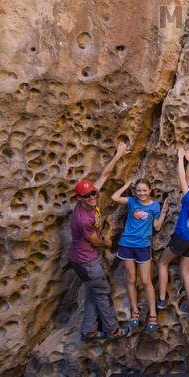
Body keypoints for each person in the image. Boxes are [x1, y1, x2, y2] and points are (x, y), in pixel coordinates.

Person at [68, 142, 130, 340]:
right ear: (79, 198)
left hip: (80, 259)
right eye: (87, 195)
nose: (93, 196)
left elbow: (104, 175)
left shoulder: (90, 197)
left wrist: (118, 155)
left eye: (93, 193)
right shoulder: (83, 218)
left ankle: (88, 331)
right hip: (86, 260)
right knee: (102, 292)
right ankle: (113, 330)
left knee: (93, 291)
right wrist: (108, 243)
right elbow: (94, 240)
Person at [111, 178, 167, 332]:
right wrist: (126, 185)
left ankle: (153, 315)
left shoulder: (154, 205)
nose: (142, 193)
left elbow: (157, 226)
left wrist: (163, 213)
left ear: (150, 190)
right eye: (139, 190)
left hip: (143, 246)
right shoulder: (131, 201)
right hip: (127, 244)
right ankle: (135, 311)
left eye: (145, 190)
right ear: (135, 192)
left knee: (146, 280)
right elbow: (114, 198)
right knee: (131, 278)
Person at [157, 148, 189, 316]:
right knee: (185, 272)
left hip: (180, 238)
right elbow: (188, 180)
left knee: (163, 263)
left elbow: (182, 178)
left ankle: (162, 299)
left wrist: (180, 159)